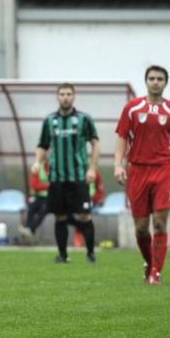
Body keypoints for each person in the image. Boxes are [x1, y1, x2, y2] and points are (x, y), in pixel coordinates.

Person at [114, 65, 170, 286]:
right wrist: (118, 165)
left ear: (166, 83)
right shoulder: (132, 108)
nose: (155, 82)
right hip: (137, 170)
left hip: (162, 170)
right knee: (140, 228)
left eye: (159, 79)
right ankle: (149, 263)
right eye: (151, 78)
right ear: (145, 81)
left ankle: (156, 272)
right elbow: (121, 137)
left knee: (159, 223)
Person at [33, 83, 100, 264]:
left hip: (78, 176)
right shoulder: (49, 120)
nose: (65, 97)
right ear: (57, 97)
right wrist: (37, 162)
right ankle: (62, 255)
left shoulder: (84, 119)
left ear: (73, 96)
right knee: (60, 216)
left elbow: (95, 143)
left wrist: (92, 168)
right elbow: (43, 145)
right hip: (57, 178)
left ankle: (91, 254)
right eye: (62, 94)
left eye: (68, 94)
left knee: (85, 215)